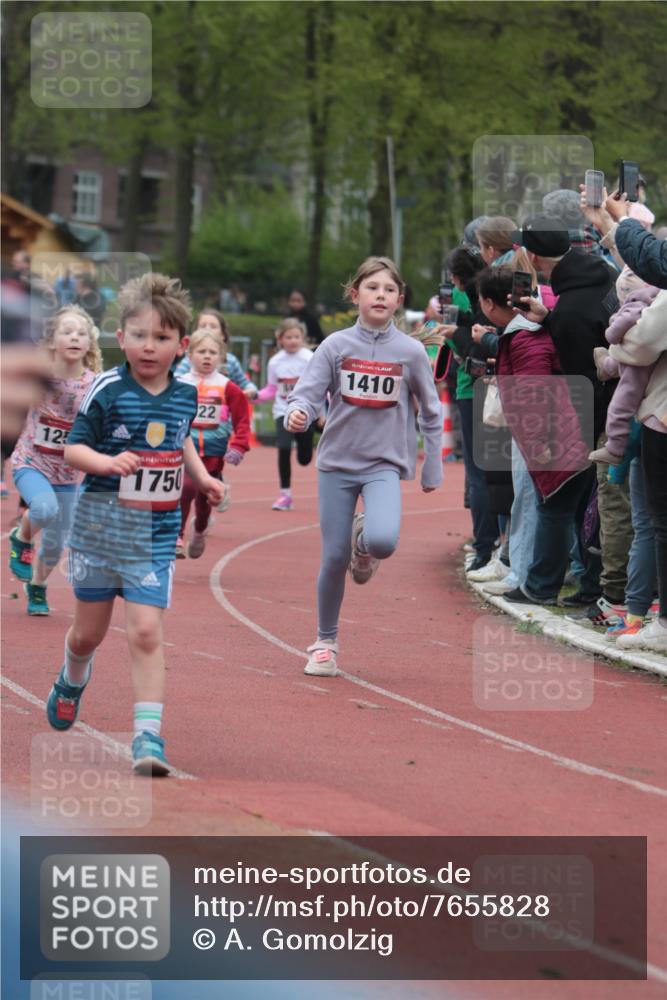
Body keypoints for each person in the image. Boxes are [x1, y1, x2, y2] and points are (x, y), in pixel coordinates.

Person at [44, 273, 224, 776]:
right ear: (120, 338)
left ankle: (148, 738)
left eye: (162, 338)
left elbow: (182, 439)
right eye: (140, 336)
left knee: (146, 633)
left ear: (181, 345)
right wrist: (106, 464)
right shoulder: (106, 389)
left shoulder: (186, 393)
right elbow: (73, 448)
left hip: (154, 535)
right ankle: (71, 678)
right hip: (100, 532)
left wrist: (204, 477)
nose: (150, 346)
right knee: (87, 635)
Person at [285, 256, 443, 677]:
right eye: (372, 288)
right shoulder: (335, 346)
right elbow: (305, 394)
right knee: (332, 557)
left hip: (383, 465)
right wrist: (297, 413)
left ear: (399, 300)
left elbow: (431, 410)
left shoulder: (410, 352)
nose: (380, 295)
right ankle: (325, 641)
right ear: (355, 295)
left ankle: (364, 542)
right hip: (337, 463)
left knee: (384, 541)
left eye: (389, 290)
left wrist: (433, 465)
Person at [510, 215, 627, 617]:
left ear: (533, 256)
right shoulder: (601, 275)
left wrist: (585, 436)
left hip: (605, 418)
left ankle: (599, 594)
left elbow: (584, 382)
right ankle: (594, 586)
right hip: (622, 406)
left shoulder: (573, 309)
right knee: (595, 509)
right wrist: (550, 319)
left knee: (594, 508)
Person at [478, 267, 594, 606]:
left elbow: (532, 393)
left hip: (558, 433)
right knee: (573, 511)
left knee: (553, 510)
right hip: (575, 425)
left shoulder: (525, 335)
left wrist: (540, 442)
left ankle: (540, 587)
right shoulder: (542, 326)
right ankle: (583, 585)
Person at [8, 306, 103, 614]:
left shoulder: (95, 385)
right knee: (44, 508)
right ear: (51, 342)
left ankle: (36, 585)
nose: (75, 337)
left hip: (67, 475)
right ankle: (21, 536)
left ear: (90, 343)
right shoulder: (40, 376)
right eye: (67, 331)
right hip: (30, 462)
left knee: (55, 545)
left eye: (81, 333)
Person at [176, 327, 249, 557]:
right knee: (186, 488)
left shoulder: (228, 387)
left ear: (221, 356)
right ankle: (177, 536)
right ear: (189, 355)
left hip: (213, 453)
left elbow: (242, 418)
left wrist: (239, 445)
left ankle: (199, 530)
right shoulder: (179, 383)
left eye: (212, 352)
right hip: (185, 450)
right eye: (201, 351)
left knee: (205, 498)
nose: (207, 356)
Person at [256, 318, 319, 510]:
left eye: (296, 337)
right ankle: (285, 494)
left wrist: (324, 411)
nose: (292, 341)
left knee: (305, 457)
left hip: (305, 411)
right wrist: (253, 397)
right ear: (280, 339)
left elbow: (320, 387)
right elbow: (271, 389)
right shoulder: (275, 362)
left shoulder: (309, 358)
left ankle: (305, 450)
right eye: (288, 337)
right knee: (283, 448)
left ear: (303, 338)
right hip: (283, 411)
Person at [175, 309, 257, 398]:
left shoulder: (231, 360)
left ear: (223, 335)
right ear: (195, 333)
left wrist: (251, 391)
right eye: (203, 326)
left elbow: (245, 383)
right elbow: (176, 380)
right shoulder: (189, 360)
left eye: (213, 326)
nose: (207, 329)